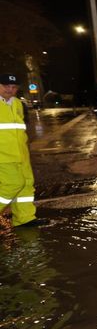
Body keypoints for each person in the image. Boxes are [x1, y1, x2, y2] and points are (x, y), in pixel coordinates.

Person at [0, 73, 38, 228]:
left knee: (27, 184)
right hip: (3, 155)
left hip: (21, 154)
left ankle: (25, 218)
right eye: (6, 86)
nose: (10, 89)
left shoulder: (17, 104)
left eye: (14, 87)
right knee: (13, 184)